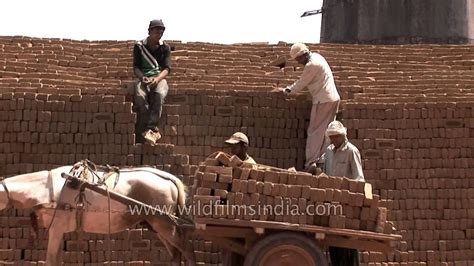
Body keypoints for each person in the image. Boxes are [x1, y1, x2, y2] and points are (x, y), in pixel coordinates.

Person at [275, 43, 340, 171]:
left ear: (303, 55)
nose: (298, 63)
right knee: (326, 132)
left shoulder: (312, 65)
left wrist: (285, 91)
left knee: (314, 131)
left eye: (298, 60)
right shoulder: (317, 56)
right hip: (332, 98)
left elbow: (302, 83)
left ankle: (311, 163)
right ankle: (322, 161)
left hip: (323, 100)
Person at [321, 120, 363, 266]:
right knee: (334, 245)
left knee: (348, 246)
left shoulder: (352, 151)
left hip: (346, 205)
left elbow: (359, 179)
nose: (334, 139)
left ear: (343, 135)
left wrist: (349, 196)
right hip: (331, 204)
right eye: (331, 137)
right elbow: (325, 174)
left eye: (336, 136)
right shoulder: (328, 152)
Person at [133, 19, 171, 144]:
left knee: (159, 94)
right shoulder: (139, 46)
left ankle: (152, 128)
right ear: (149, 31)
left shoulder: (165, 47)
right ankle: (144, 127)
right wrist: (142, 78)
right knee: (140, 95)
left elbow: (167, 69)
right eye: (156, 31)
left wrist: (157, 79)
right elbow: (136, 67)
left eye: (161, 32)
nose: (159, 34)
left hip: (159, 78)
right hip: (144, 78)